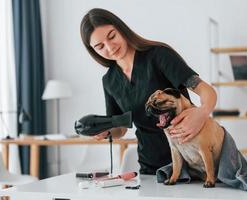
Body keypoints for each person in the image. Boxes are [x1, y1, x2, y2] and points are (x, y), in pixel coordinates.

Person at [80, 8, 217, 175]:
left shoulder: (159, 56)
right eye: (100, 46)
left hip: (193, 162)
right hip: (151, 167)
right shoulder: (109, 81)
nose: (110, 47)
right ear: (93, 51)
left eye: (112, 36)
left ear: (121, 29)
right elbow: (120, 129)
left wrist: (202, 113)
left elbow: (206, 90)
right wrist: (105, 132)